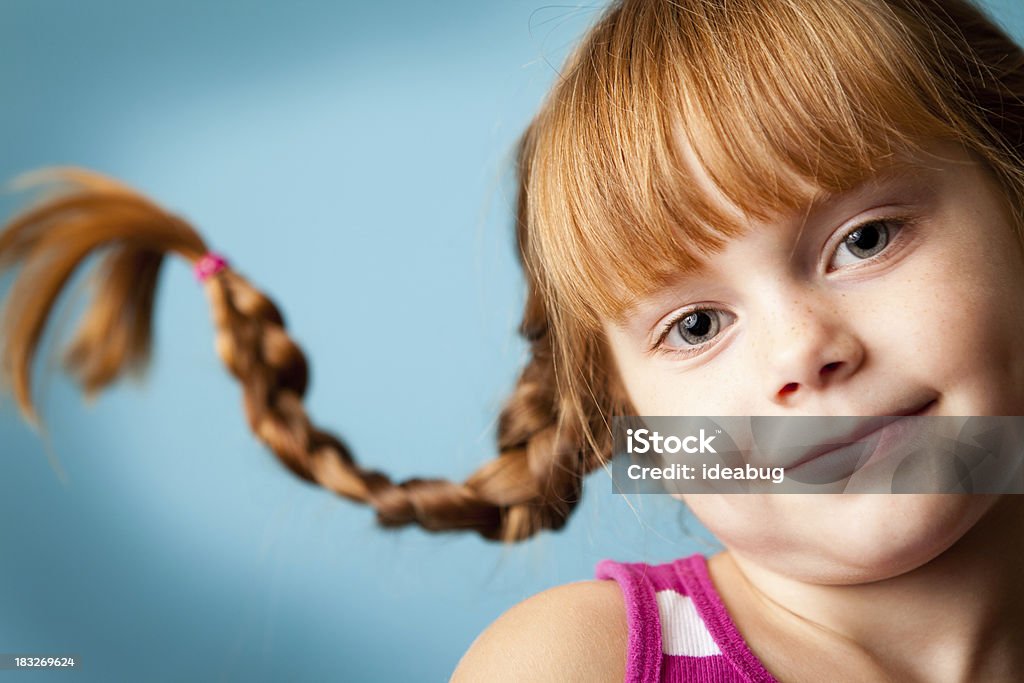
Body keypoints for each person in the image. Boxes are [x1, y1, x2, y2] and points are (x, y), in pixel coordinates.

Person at [2, 0, 1024, 680]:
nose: (803, 350)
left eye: (866, 238)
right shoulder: (572, 665)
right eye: (696, 324)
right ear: (636, 431)